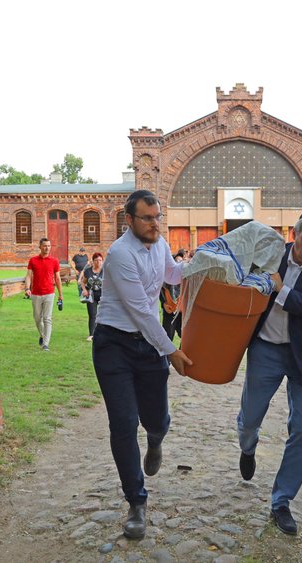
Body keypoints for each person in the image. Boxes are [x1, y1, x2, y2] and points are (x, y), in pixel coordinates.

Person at [92, 190, 193, 539]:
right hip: (114, 344)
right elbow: (140, 311)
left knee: (157, 419)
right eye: (147, 218)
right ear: (129, 220)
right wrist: (173, 351)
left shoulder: (160, 243)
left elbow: (175, 275)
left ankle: (155, 438)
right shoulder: (120, 254)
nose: (154, 224)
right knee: (122, 423)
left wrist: (208, 262)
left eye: (157, 217)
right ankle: (136, 501)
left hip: (148, 345)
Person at [237, 211, 302, 536]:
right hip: (266, 348)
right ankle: (248, 446)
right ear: (293, 235)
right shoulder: (271, 255)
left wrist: (281, 292)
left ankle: (282, 501)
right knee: (251, 417)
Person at [24, 238, 63, 351]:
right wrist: (27, 288)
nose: (47, 248)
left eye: (49, 246)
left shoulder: (54, 261)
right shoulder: (33, 260)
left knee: (47, 318)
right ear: (40, 247)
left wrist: (60, 294)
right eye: (45, 246)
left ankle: (46, 344)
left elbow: (57, 278)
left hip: (49, 293)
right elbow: (28, 276)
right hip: (36, 294)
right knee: (37, 318)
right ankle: (42, 335)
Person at [80, 252, 104, 341]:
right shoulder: (88, 271)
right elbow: (83, 282)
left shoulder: (105, 271)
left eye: (100, 260)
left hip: (103, 296)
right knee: (92, 314)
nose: (98, 262)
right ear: (93, 261)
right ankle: (91, 334)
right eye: (96, 260)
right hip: (91, 295)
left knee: (103, 315)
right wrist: (84, 290)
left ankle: (103, 333)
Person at [159, 253, 183, 341]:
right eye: (177, 261)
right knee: (167, 337)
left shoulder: (186, 277)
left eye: (180, 261)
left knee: (185, 337)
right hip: (170, 311)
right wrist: (164, 304)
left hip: (182, 312)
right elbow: (160, 292)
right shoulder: (165, 279)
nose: (179, 263)